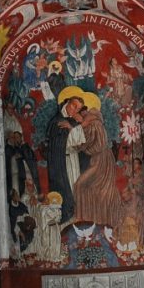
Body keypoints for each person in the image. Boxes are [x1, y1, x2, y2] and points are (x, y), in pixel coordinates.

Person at [70, 97, 122, 229]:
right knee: (90, 188)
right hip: (100, 159)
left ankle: (83, 218)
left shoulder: (93, 125)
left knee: (80, 185)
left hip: (101, 161)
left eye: (77, 118)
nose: (77, 121)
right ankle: (88, 218)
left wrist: (73, 143)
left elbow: (87, 143)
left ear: (83, 114)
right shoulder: (94, 123)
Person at [46, 86, 87, 223]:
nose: (75, 110)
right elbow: (54, 140)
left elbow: (81, 142)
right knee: (64, 185)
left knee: (75, 184)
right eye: (74, 106)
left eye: (78, 109)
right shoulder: (56, 120)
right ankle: (65, 214)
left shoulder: (74, 122)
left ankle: (75, 212)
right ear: (67, 102)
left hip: (73, 158)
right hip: (60, 160)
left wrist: (73, 127)